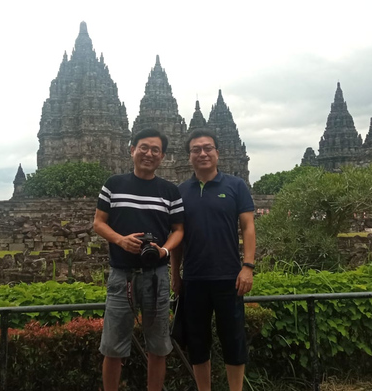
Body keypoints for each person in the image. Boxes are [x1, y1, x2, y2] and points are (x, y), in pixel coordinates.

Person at [93, 128, 185, 391]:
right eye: (143, 147)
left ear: (163, 156)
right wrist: (121, 240)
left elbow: (179, 230)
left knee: (158, 345)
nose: (149, 153)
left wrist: (164, 250)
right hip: (122, 275)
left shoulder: (170, 191)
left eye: (155, 150)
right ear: (132, 149)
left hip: (156, 276)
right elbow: (99, 223)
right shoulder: (113, 184)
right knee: (113, 347)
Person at [171, 128, 256, 391]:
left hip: (229, 277)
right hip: (194, 278)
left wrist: (248, 266)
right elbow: (177, 236)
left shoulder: (236, 185)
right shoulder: (180, 191)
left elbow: (248, 227)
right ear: (189, 156)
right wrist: (176, 275)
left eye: (208, 148)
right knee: (198, 341)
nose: (202, 153)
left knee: (233, 340)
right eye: (196, 150)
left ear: (218, 153)